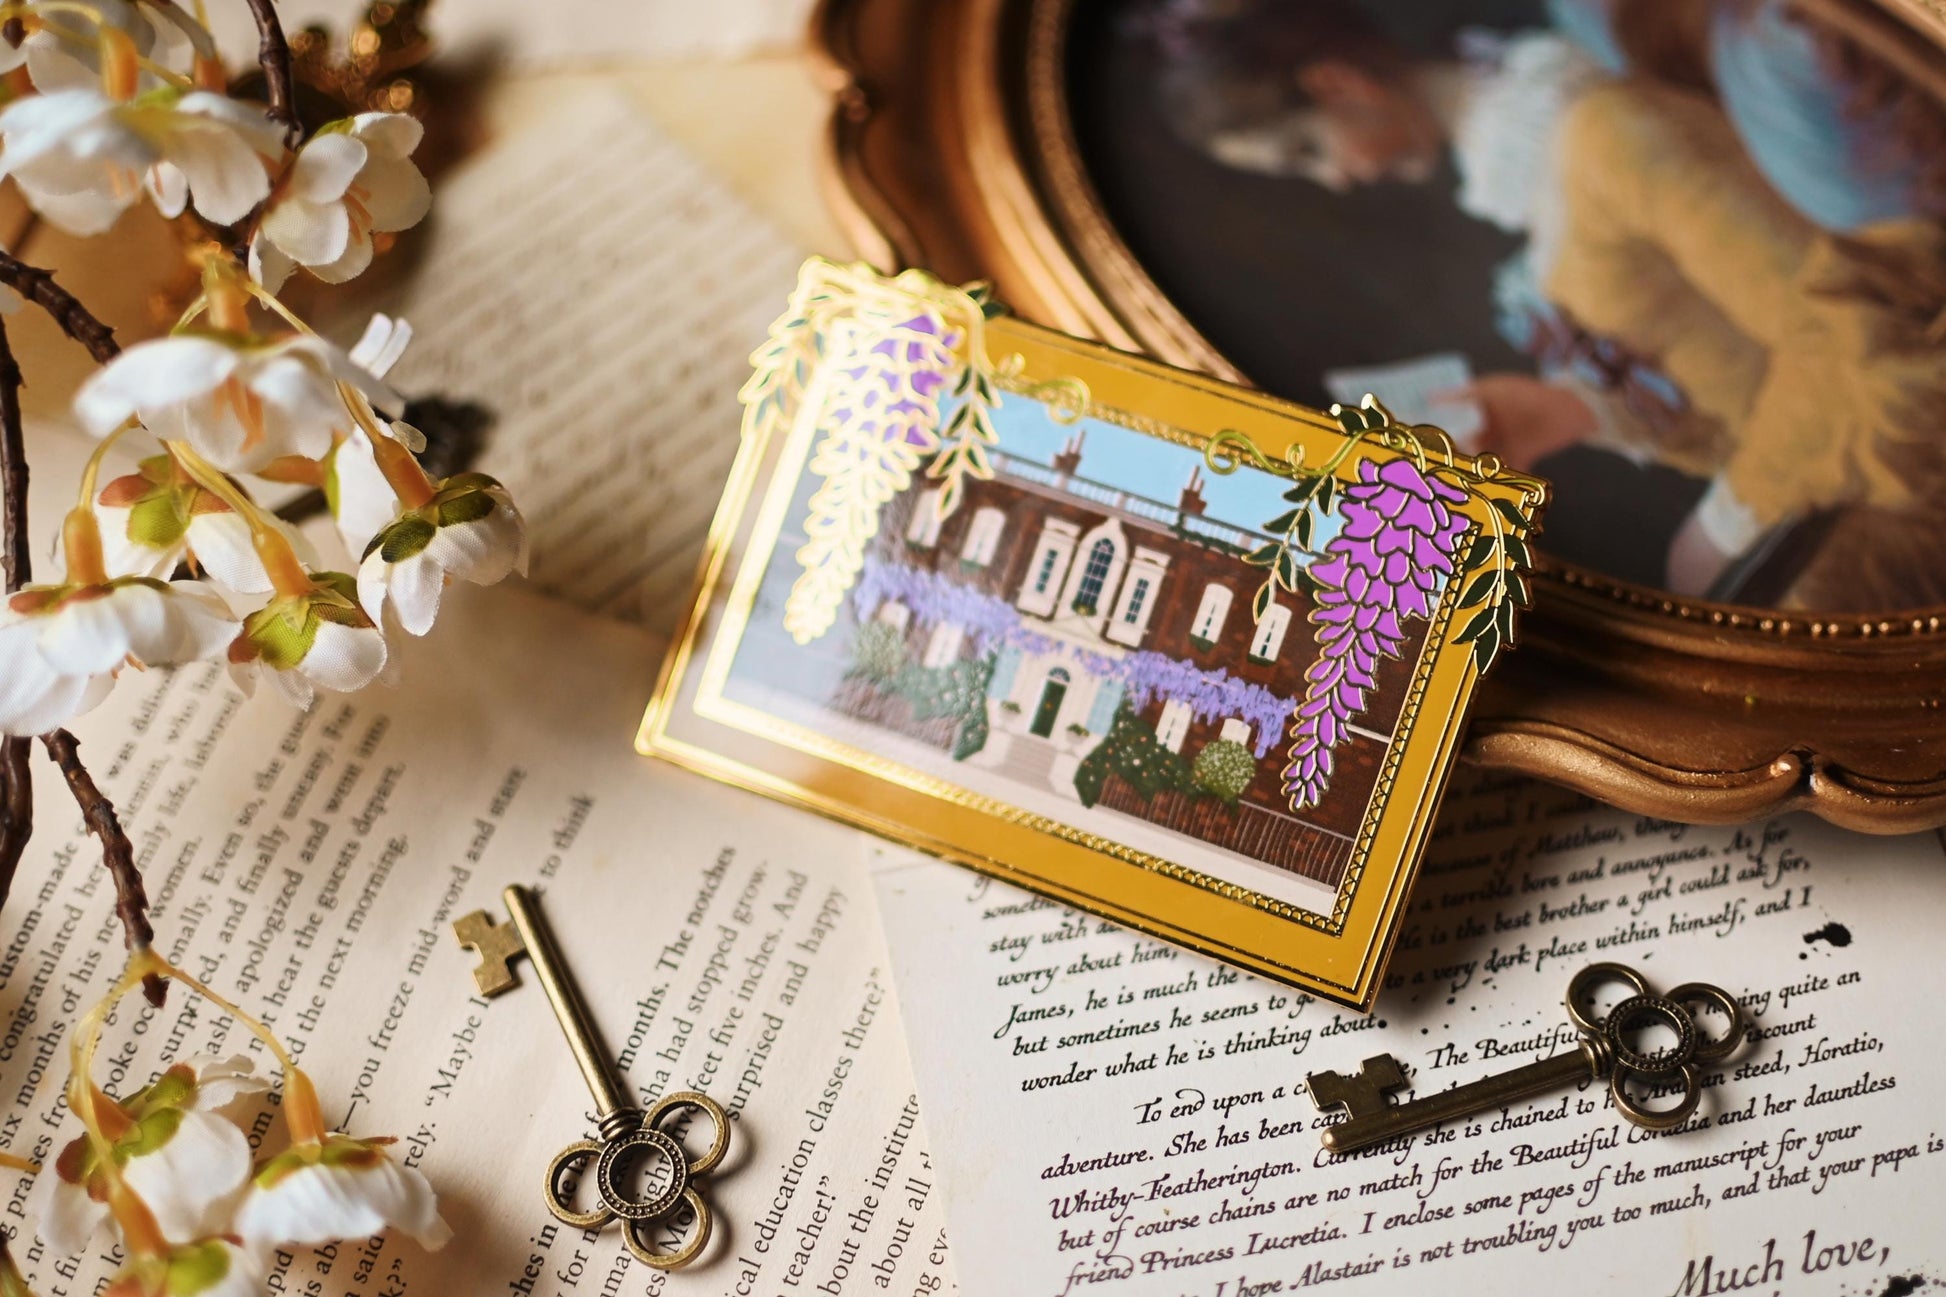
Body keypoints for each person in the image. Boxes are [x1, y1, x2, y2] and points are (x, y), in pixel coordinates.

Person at [1137, 0, 1946, 608]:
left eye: (1307, 151)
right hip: (1851, 477)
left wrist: (1726, 529)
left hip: (1908, 457)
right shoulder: (1520, 203)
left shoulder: (1606, 133)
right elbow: (1738, 395)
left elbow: (1849, 335)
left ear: (1339, 84)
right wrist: (1568, 412)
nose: (1336, 181)